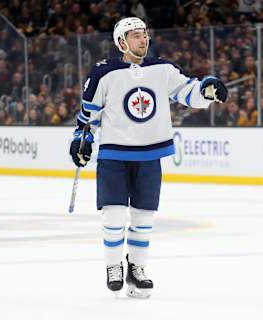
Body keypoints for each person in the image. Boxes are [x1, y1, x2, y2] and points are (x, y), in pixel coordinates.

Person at [68, 17, 227, 298]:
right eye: (136, 35)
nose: (143, 39)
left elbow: (187, 91)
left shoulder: (162, 69)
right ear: (121, 42)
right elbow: (88, 115)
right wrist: (81, 139)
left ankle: (137, 268)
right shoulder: (104, 72)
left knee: (144, 217)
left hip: (150, 154)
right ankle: (113, 266)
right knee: (114, 214)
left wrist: (206, 90)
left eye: (144, 34)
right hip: (114, 155)